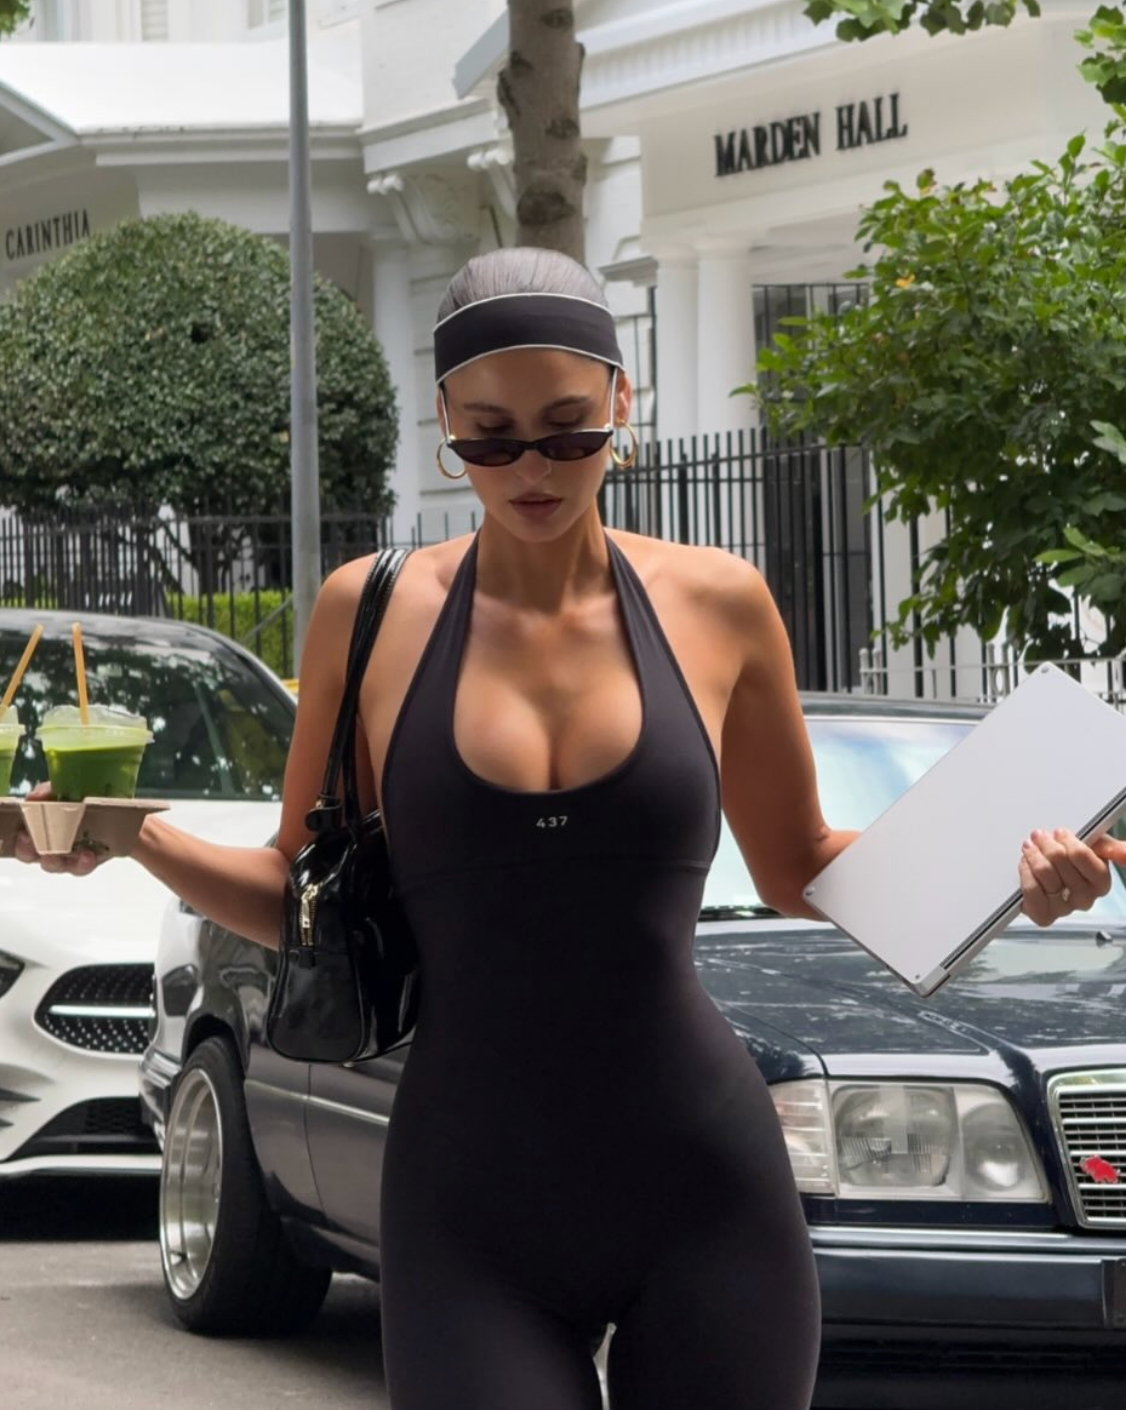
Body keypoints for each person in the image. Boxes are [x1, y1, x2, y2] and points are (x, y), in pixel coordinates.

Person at [17, 246, 1126, 1410]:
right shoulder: (370, 612)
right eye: (490, 439)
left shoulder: (718, 603)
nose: (533, 469)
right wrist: (127, 834)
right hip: (468, 1202)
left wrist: (1010, 876)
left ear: (620, 403)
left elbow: (801, 867)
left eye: (566, 431)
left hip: (704, 1186)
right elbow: (297, 895)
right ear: (444, 421)